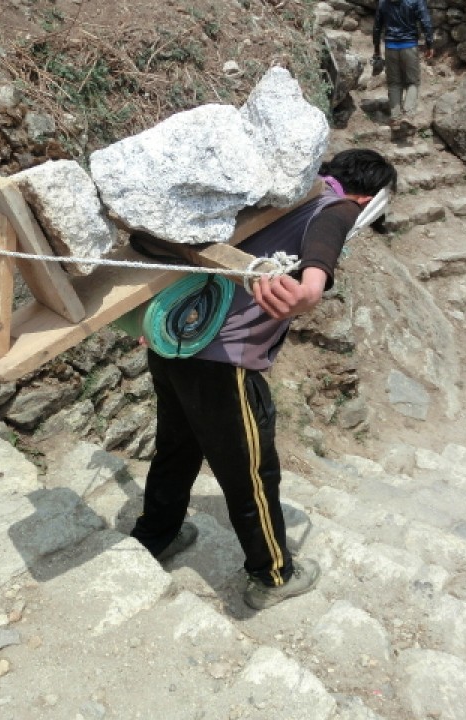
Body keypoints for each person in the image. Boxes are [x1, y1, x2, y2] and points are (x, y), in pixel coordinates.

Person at [131, 149, 398, 610]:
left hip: (174, 340)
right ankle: (273, 574)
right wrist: (311, 290)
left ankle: (156, 536)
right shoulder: (333, 207)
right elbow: (323, 249)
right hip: (223, 362)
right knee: (251, 471)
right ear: (367, 196)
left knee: (178, 446)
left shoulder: (280, 199)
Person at [372, 0, 434, 130]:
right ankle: (408, 115)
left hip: (390, 46)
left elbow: (377, 26)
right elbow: (426, 22)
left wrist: (377, 48)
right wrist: (430, 44)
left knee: (394, 83)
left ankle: (395, 118)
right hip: (409, 46)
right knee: (413, 82)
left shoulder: (384, 2)